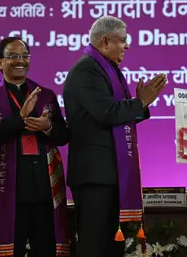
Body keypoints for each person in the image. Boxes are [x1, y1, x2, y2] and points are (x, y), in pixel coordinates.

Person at [63, 16, 167, 257]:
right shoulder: (86, 69)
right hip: (94, 175)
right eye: (122, 40)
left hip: (108, 174)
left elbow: (116, 112)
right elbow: (106, 112)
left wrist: (139, 105)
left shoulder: (105, 69)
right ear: (105, 40)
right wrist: (141, 102)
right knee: (94, 245)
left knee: (112, 246)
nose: (127, 46)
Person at [0, 37, 71, 257]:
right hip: (10, 191)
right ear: (0, 62)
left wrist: (48, 127)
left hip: (45, 189)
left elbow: (64, 135)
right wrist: (20, 117)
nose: (20, 61)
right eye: (13, 56)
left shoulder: (45, 94)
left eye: (24, 55)